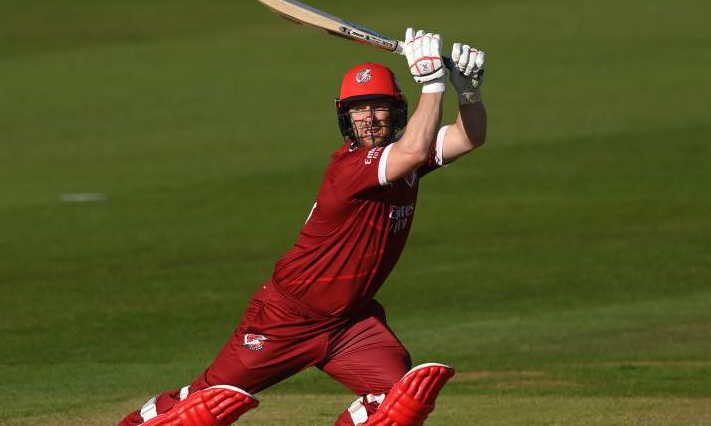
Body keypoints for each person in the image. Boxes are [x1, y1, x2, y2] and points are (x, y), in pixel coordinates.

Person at [119, 28, 487, 426]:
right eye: (358, 110)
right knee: (202, 408)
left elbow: (469, 137)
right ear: (344, 117)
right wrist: (432, 84)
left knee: (399, 403)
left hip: (350, 323)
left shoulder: (405, 158)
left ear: (396, 112)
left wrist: (466, 91)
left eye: (378, 107)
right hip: (287, 316)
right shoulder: (351, 168)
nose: (368, 119)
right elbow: (414, 148)